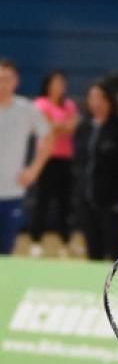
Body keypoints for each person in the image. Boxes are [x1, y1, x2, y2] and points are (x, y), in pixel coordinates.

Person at [73, 81, 118, 261]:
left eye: (101, 98)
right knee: (93, 251)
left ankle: (114, 287)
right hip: (86, 200)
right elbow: (78, 163)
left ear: (110, 100)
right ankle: (95, 287)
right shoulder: (83, 127)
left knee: (115, 249)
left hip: (112, 202)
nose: (97, 102)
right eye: (92, 98)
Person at [0, 58, 53, 255]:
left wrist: (34, 170)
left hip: (12, 192)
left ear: (16, 81)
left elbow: (47, 137)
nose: (2, 84)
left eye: (7, 79)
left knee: (5, 252)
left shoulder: (25, 109)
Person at [31, 70, 79, 256]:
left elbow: (72, 127)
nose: (60, 87)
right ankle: (36, 240)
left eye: (62, 83)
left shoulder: (69, 104)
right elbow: (44, 128)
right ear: (48, 85)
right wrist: (59, 126)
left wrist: (57, 125)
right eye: (56, 83)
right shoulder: (40, 103)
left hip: (65, 159)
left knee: (64, 202)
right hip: (45, 159)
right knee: (42, 201)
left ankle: (66, 241)